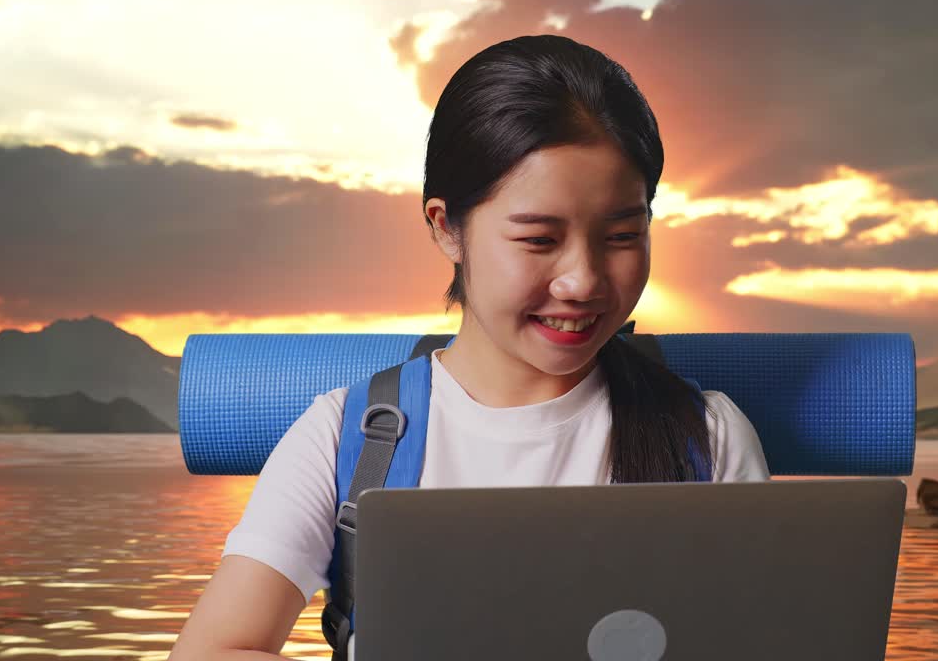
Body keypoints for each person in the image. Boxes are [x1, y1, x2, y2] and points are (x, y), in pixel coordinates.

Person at [168, 34, 770, 660]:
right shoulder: (349, 443)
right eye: (539, 239)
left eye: (622, 235)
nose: (583, 280)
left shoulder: (707, 438)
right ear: (446, 228)